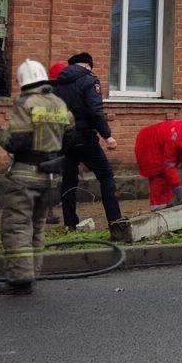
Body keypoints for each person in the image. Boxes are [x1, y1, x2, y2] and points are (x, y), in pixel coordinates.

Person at [0, 59, 76, 296]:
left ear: (22, 82)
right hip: (52, 176)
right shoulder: (59, 103)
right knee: (37, 225)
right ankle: (33, 272)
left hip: (25, 175)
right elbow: (71, 139)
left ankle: (20, 280)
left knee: (17, 225)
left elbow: (17, 144)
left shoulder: (26, 103)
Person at [53, 52, 126, 240]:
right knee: (106, 176)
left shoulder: (57, 84)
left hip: (64, 138)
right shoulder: (89, 80)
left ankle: (70, 224)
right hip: (85, 137)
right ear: (87, 66)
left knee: (69, 180)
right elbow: (95, 111)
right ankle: (115, 222)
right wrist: (107, 136)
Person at [135, 119, 182, 208]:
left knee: (167, 182)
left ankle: (167, 207)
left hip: (155, 143)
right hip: (149, 149)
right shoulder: (173, 139)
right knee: (159, 182)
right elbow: (169, 165)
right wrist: (177, 186)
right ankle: (159, 211)